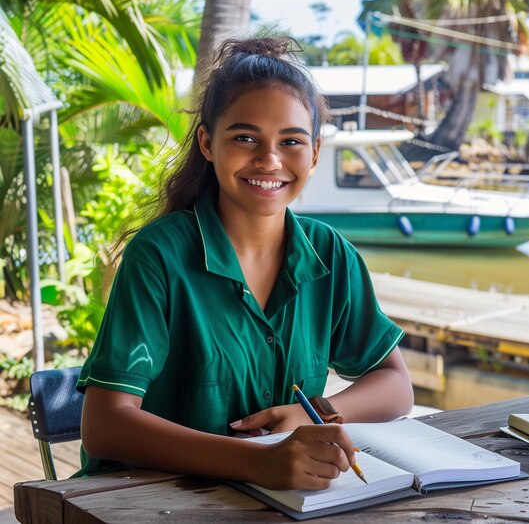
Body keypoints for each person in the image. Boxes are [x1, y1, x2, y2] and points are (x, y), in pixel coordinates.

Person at [77, 36, 414, 490]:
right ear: (208, 143)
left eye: (291, 141)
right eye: (244, 137)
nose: (269, 159)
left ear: (314, 152)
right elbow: (104, 427)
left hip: (273, 503)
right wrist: (256, 462)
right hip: (144, 498)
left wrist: (312, 413)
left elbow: (396, 385)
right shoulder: (160, 255)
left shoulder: (330, 255)